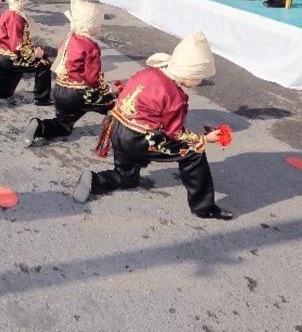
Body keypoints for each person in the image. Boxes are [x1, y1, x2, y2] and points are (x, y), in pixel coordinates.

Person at [72, 31, 233, 221]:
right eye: (199, 77)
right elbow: (175, 133)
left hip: (118, 129)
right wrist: (204, 139)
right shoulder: (176, 96)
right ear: (187, 73)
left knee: (128, 177)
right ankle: (204, 207)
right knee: (193, 153)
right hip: (140, 139)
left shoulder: (149, 72)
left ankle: (96, 181)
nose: (200, 82)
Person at [23, 0, 117, 146]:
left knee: (63, 125)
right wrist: (108, 90)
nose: (101, 26)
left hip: (60, 90)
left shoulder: (69, 38)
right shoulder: (91, 46)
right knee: (113, 103)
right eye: (99, 23)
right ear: (90, 26)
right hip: (78, 93)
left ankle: (40, 126)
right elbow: (92, 78)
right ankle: (122, 137)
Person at [0, 0, 52, 104]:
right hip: (10, 57)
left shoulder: (11, 12)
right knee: (44, 63)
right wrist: (35, 53)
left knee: (5, 90)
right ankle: (41, 98)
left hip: (1, 55)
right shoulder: (16, 18)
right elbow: (17, 47)